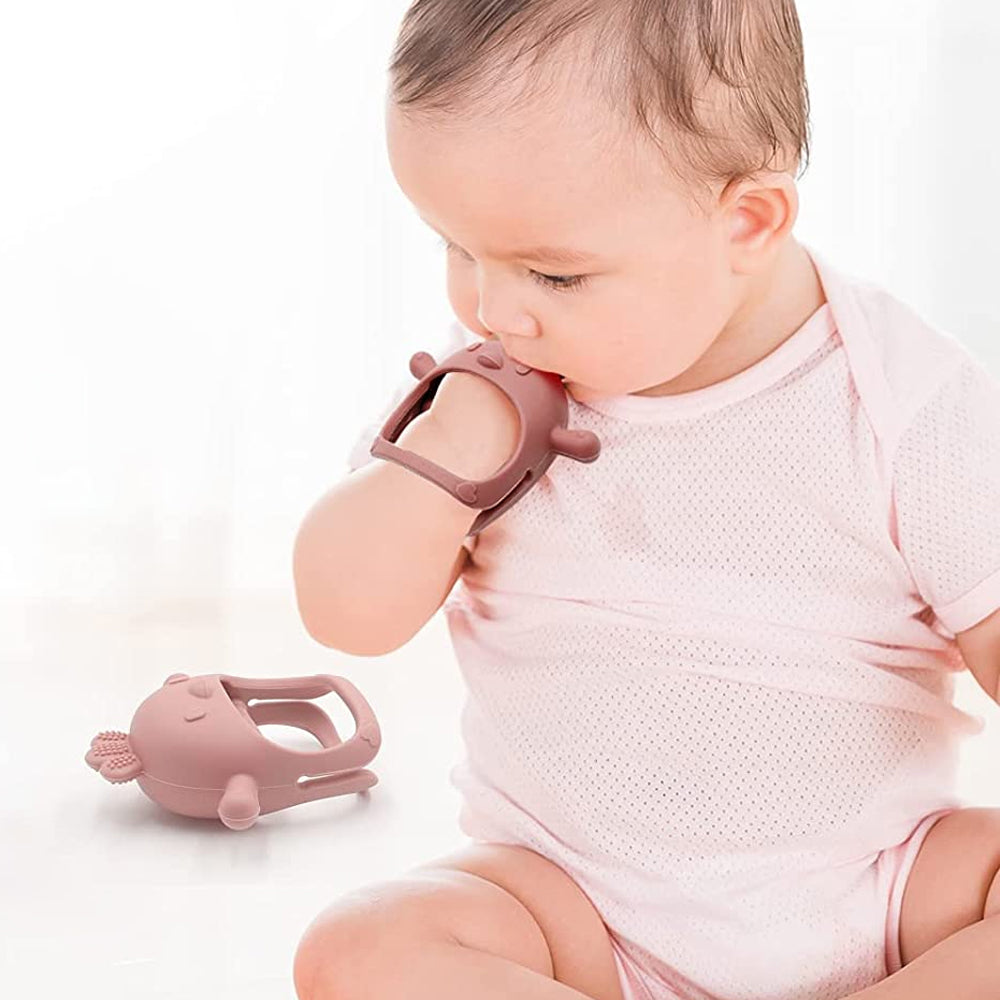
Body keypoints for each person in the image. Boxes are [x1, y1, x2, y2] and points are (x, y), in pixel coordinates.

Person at [291, 2, 1000, 998]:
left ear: (746, 220)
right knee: (359, 946)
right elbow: (345, 613)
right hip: (574, 914)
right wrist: (442, 463)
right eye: (454, 247)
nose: (493, 309)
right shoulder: (488, 395)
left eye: (550, 271)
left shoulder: (905, 400)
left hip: (881, 898)